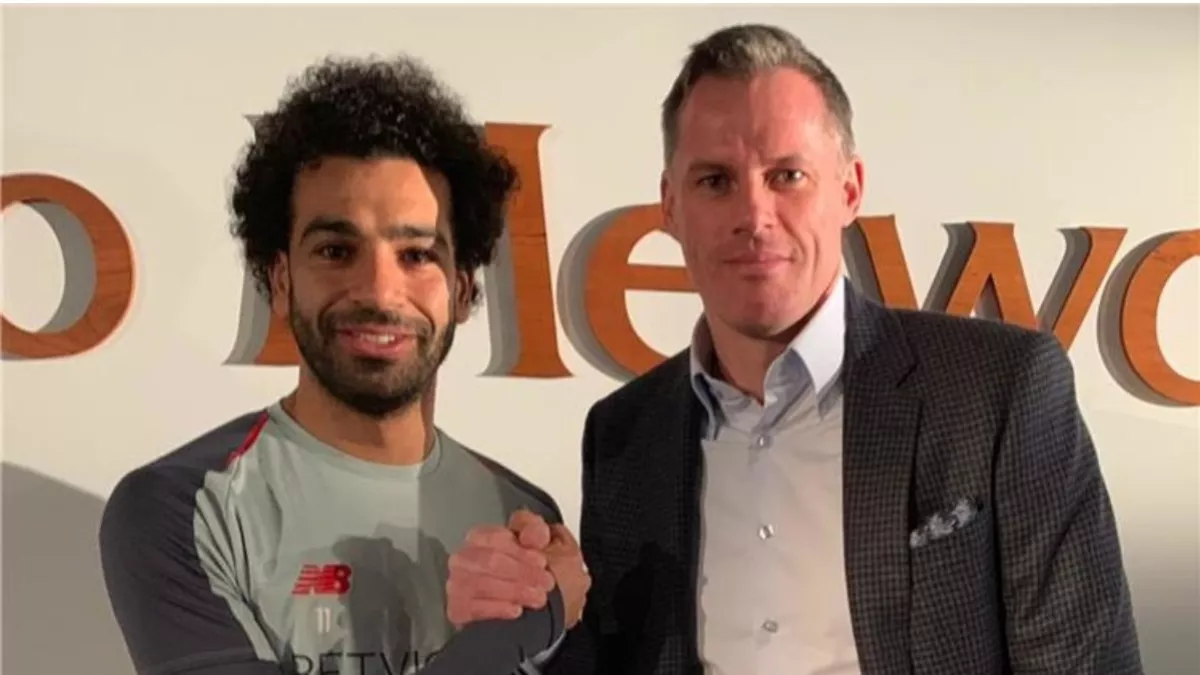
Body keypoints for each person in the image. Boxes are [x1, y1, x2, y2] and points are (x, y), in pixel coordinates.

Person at [445, 23, 1144, 674]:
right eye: (715, 181)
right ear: (670, 206)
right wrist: (546, 621)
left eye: (787, 175)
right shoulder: (625, 435)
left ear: (850, 189)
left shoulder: (999, 391)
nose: (754, 216)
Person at [98, 54, 590, 675]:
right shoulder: (181, 507)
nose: (379, 292)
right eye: (336, 250)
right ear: (280, 281)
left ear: (464, 290)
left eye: (417, 254)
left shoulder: (522, 514)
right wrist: (525, 625)